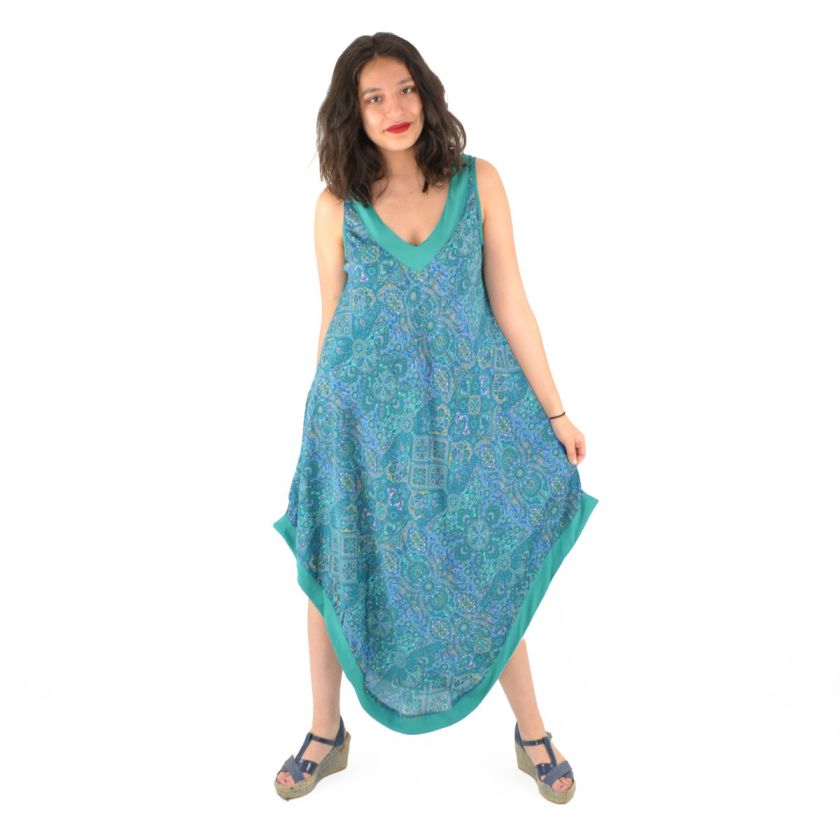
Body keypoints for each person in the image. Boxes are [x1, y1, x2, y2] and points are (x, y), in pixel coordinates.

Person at [272, 32, 598, 804]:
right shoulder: (337, 206)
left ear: (427, 92)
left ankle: (531, 731)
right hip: (361, 424)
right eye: (373, 97)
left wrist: (555, 410)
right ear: (352, 113)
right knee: (332, 564)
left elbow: (510, 300)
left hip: (468, 421)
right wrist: (323, 431)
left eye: (405, 89)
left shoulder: (479, 181)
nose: (394, 108)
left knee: (487, 562)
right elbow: (332, 319)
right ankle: (325, 730)